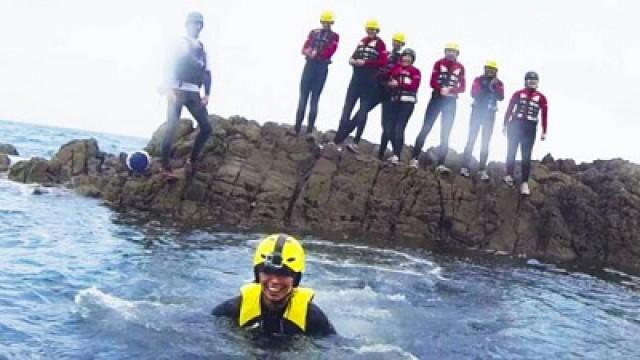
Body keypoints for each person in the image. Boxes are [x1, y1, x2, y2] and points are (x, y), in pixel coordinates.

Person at [212, 234, 336, 337]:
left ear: (296, 278)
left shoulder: (312, 318)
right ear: (257, 274)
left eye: (284, 273)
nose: (274, 281)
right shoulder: (234, 308)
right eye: (267, 272)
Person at [160, 11, 214, 180]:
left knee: (206, 128)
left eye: (199, 24)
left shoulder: (203, 48)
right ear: (187, 24)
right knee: (172, 126)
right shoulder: (180, 44)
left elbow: (207, 73)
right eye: (193, 23)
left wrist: (207, 95)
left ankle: (192, 160)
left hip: (194, 93)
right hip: (177, 89)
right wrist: (168, 89)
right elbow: (169, 66)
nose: (196, 26)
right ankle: (165, 167)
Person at [332, 20, 388, 152]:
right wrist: (352, 60)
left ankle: (356, 141)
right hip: (355, 79)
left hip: (369, 81)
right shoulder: (362, 41)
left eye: (373, 30)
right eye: (369, 29)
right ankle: (338, 139)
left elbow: (383, 61)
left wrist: (366, 63)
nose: (371, 32)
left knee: (363, 111)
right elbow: (354, 55)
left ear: (377, 31)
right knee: (347, 108)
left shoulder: (380, 44)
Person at [409, 43, 466, 173]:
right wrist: (440, 89)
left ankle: (441, 163)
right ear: (445, 52)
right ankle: (414, 158)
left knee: (446, 132)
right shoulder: (438, 63)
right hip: (436, 98)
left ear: (457, 53)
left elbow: (463, 87)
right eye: (448, 51)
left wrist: (450, 89)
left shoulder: (461, 67)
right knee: (426, 127)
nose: (451, 53)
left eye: (453, 51)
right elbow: (432, 81)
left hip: (451, 102)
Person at [293, 11, 340, 137]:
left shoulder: (334, 36)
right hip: (310, 66)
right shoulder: (314, 32)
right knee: (303, 98)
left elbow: (330, 51)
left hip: (320, 67)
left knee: (314, 99)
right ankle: (297, 127)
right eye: (324, 22)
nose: (326, 24)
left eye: (327, 22)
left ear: (331, 23)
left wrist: (316, 53)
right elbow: (304, 47)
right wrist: (308, 52)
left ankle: (308, 130)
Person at [503, 71, 548, 195]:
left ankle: (524, 182)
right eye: (529, 79)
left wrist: (544, 130)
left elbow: (544, 114)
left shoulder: (541, 97)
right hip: (515, 125)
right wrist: (505, 123)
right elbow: (510, 107)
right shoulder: (518, 94)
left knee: (526, 156)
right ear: (525, 81)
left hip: (530, 128)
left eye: (534, 80)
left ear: (537, 82)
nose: (532, 82)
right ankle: (509, 175)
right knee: (511, 150)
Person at [460, 61, 505, 180]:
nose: (490, 71)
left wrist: (493, 87)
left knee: (485, 142)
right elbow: (473, 93)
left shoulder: (499, 83)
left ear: (496, 71)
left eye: (492, 69)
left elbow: (501, 97)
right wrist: (487, 87)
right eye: (488, 68)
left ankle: (482, 169)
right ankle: (464, 166)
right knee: (471, 138)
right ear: (484, 69)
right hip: (477, 112)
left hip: (490, 115)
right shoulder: (478, 80)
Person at [383, 48, 421, 165]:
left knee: (399, 128)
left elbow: (414, 85)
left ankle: (397, 155)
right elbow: (384, 77)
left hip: (407, 103)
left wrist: (398, 84)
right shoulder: (396, 69)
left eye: (409, 57)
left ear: (412, 60)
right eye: (405, 56)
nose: (406, 59)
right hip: (395, 101)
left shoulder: (415, 71)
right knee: (389, 128)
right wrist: (388, 83)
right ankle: (396, 152)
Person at [377, 33, 406, 160]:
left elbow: (394, 73)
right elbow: (379, 67)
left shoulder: (401, 59)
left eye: (399, 42)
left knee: (389, 124)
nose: (397, 44)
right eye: (395, 41)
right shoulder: (387, 54)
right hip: (380, 89)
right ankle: (384, 152)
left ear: (402, 44)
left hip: (391, 94)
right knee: (385, 123)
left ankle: (395, 152)